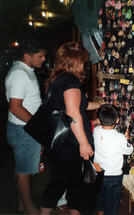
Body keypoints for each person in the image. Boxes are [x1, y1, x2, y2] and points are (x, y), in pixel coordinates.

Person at [39, 42, 103, 215]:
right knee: (71, 184)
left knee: (59, 183)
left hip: (59, 144)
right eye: (83, 61)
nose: (84, 65)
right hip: (71, 144)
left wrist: (100, 104)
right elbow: (74, 113)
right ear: (76, 61)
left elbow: (78, 105)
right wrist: (84, 143)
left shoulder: (58, 79)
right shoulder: (71, 81)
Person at [5, 39, 46, 214]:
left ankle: (23, 203)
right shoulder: (20, 74)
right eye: (40, 55)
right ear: (26, 55)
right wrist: (37, 126)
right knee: (24, 170)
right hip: (24, 130)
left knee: (21, 167)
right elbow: (15, 107)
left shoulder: (24, 70)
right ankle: (30, 208)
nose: (43, 59)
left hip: (22, 129)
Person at [93, 104, 133, 215]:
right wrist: (128, 141)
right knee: (113, 204)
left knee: (100, 199)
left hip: (99, 174)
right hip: (114, 176)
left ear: (99, 120)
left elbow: (97, 127)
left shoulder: (96, 131)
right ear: (118, 120)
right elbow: (129, 151)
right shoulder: (120, 137)